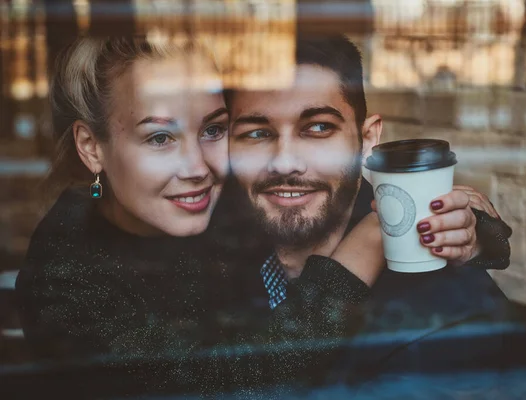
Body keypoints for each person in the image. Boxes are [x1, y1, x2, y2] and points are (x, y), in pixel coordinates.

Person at [13, 35, 386, 397]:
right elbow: (218, 388)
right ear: (92, 148)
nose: (197, 168)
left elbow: (328, 189)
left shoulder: (215, 204)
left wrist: (419, 218)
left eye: (212, 129)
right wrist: (365, 249)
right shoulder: (65, 278)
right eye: (160, 138)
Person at [224, 34, 526, 397]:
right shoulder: (213, 257)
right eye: (257, 133)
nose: (284, 162)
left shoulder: (445, 326)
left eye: (318, 128)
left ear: (368, 140)